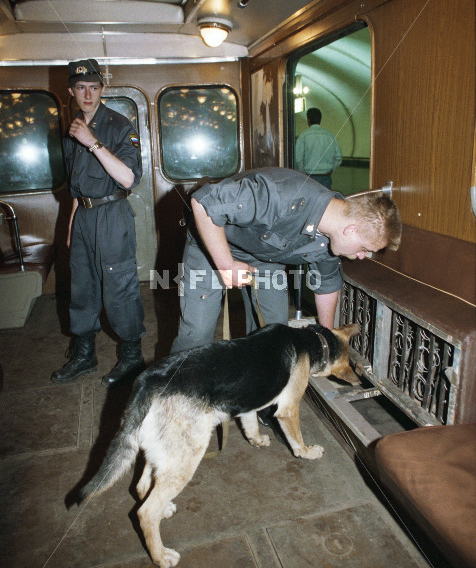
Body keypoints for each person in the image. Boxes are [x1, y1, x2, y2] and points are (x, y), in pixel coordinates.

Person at [170, 166, 401, 354]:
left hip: (265, 258)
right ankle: (174, 401)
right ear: (350, 230)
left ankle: (260, 401)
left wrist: (326, 339)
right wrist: (226, 265)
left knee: (274, 337)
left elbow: (327, 287)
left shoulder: (332, 237)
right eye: (364, 249)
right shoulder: (281, 195)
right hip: (211, 243)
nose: (362, 256)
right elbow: (204, 203)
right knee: (197, 335)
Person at [51, 59, 145, 387]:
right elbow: (75, 187)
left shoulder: (119, 126)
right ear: (71, 92)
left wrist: (93, 142)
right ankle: (84, 353)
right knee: (82, 286)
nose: (87, 93)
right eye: (80, 87)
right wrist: (70, 228)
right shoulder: (72, 128)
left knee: (119, 288)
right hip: (83, 217)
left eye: (93, 87)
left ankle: (133, 355)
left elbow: (129, 178)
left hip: (111, 214)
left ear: (102, 89)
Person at [295, 107, 342, 189]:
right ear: (320, 119)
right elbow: (338, 158)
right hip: (326, 177)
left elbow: (298, 159)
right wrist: (331, 170)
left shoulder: (304, 135)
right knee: (326, 200)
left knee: (310, 200)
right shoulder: (330, 135)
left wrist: (303, 174)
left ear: (308, 120)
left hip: (310, 177)